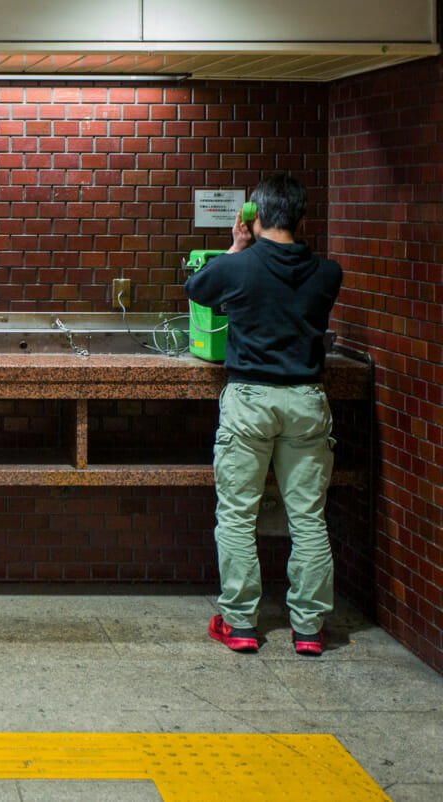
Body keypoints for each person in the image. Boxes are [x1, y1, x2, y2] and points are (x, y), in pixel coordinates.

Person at [184, 172, 342, 657]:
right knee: (309, 518)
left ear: (255, 215)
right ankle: (310, 629)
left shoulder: (239, 268)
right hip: (306, 402)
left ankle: (241, 623)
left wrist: (236, 245)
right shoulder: (328, 273)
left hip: (250, 401)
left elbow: (197, 288)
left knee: (236, 515)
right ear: (301, 217)